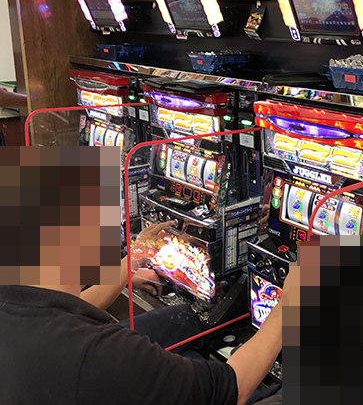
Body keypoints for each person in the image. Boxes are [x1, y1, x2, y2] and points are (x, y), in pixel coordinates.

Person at [0, 147, 291, 405]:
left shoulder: (20, 302)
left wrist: (133, 260)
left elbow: (64, 309)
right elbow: (231, 390)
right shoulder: (100, 354)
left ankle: (187, 375)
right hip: (94, 375)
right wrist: (289, 305)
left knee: (184, 320)